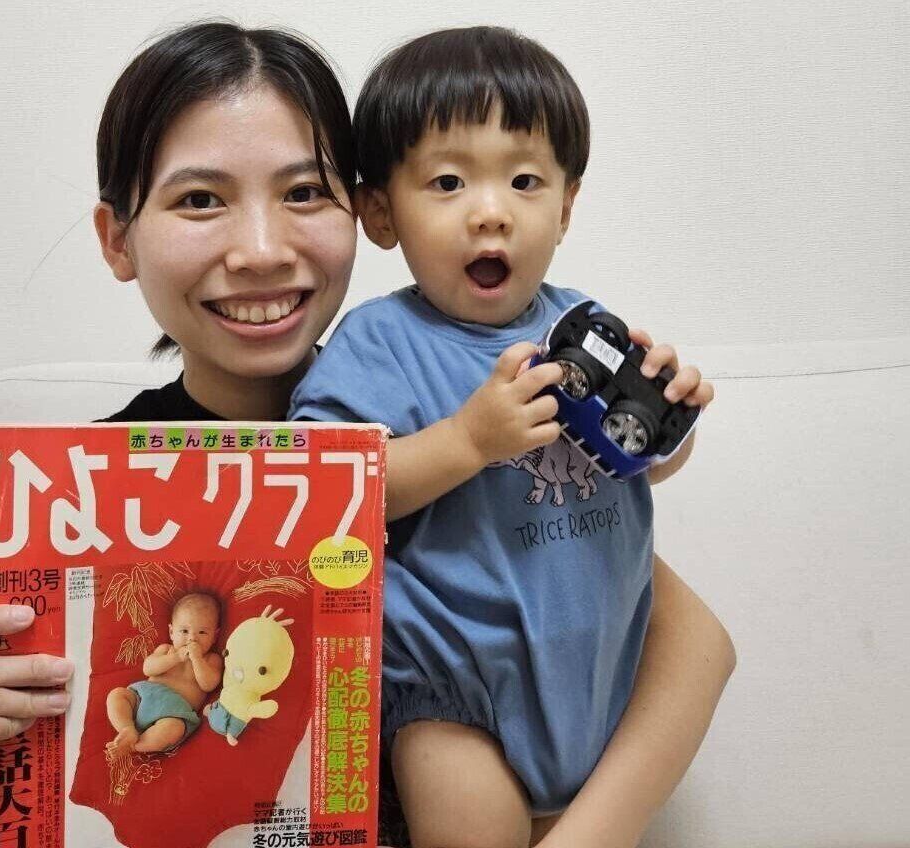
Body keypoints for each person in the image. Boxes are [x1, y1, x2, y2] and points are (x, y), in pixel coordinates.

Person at [0, 21, 734, 847]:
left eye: (302, 193)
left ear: (360, 212)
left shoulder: (451, 401)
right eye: (200, 199)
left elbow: (688, 639)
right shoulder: (84, 496)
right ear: (118, 239)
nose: (261, 250)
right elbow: (72, 760)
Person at [289, 25, 726, 848]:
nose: (491, 211)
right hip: (454, 688)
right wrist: (466, 441)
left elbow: (638, 469)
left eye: (525, 181)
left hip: (599, 672)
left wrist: (669, 423)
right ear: (381, 211)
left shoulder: (584, 327)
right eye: (448, 182)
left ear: (565, 206)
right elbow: (325, 494)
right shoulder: (380, 344)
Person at [105, 592, 223, 757]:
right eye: (184, 631)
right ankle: (127, 728)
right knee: (117, 695)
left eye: (202, 632)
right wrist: (175, 658)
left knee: (174, 730)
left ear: (215, 636)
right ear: (171, 632)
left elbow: (209, 684)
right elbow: (148, 669)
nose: (192, 639)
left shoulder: (211, 659)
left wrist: (197, 659)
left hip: (173, 713)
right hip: (142, 698)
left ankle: (134, 746)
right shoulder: (166, 650)